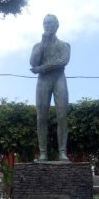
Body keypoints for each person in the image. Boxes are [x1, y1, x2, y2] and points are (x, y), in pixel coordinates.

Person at [30, 14, 70, 162]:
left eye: (50, 23)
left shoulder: (64, 45)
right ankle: (43, 153)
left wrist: (42, 68)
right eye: (45, 23)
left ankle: (62, 151)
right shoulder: (37, 45)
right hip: (43, 81)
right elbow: (33, 63)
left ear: (56, 25)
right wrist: (42, 44)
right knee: (41, 117)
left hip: (59, 79)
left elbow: (62, 61)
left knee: (62, 116)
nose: (47, 26)